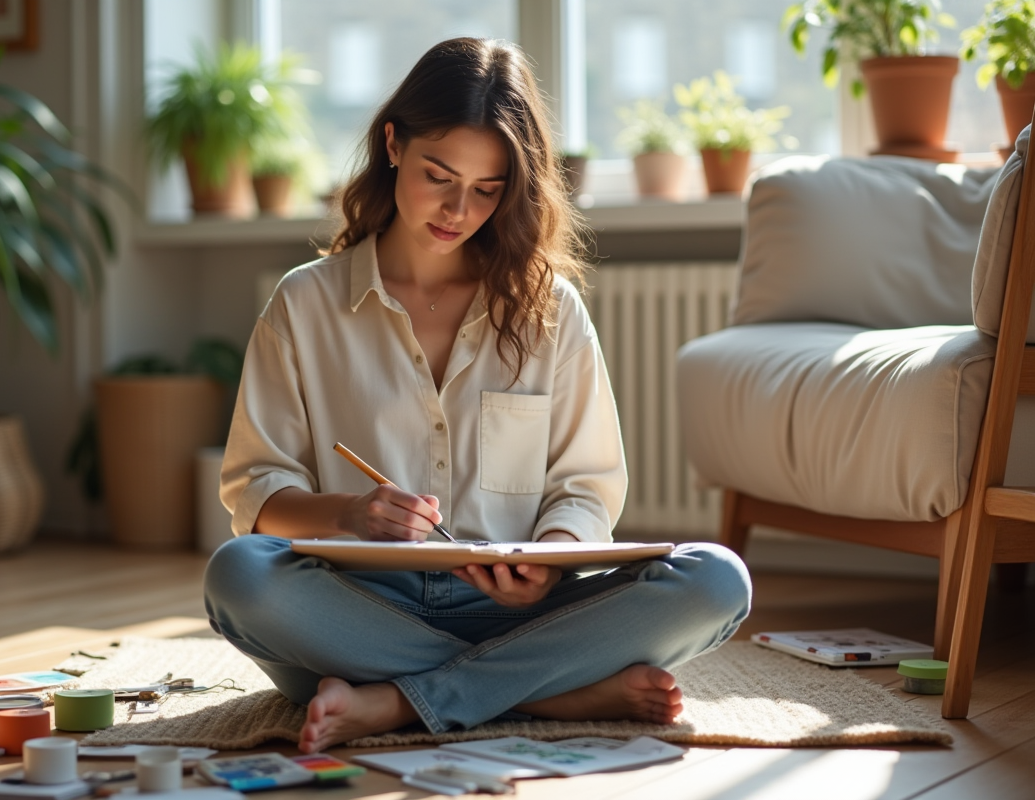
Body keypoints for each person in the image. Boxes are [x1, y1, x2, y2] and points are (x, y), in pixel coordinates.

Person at [204, 37, 751, 754]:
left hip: (526, 612)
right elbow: (257, 493)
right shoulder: (304, 303)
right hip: (360, 604)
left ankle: (402, 700)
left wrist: (547, 560)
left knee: (717, 582)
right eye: (440, 176)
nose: (458, 209)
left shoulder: (549, 310)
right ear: (394, 144)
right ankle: (551, 693)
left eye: (487, 190)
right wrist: (350, 512)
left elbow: (585, 489)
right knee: (238, 577)